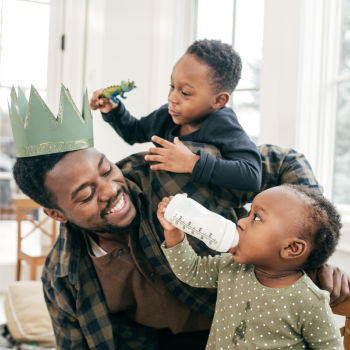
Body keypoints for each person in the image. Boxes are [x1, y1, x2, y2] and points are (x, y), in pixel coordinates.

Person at [9, 85, 349, 350]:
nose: (111, 190)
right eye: (85, 194)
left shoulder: (169, 171)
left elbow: (284, 160)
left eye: (106, 169)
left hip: (247, 332)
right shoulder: (63, 276)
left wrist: (311, 252)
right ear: (57, 214)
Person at [158, 185, 344, 349]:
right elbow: (191, 271)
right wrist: (173, 231)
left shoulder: (310, 302)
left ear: (291, 248)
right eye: (248, 213)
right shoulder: (231, 266)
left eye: (256, 218)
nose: (240, 221)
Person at [90, 39, 262, 192]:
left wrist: (192, 163)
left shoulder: (223, 125)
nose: (172, 97)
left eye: (185, 93)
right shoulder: (165, 116)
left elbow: (252, 176)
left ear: (219, 100)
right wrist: (113, 110)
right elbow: (133, 132)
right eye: (172, 86)